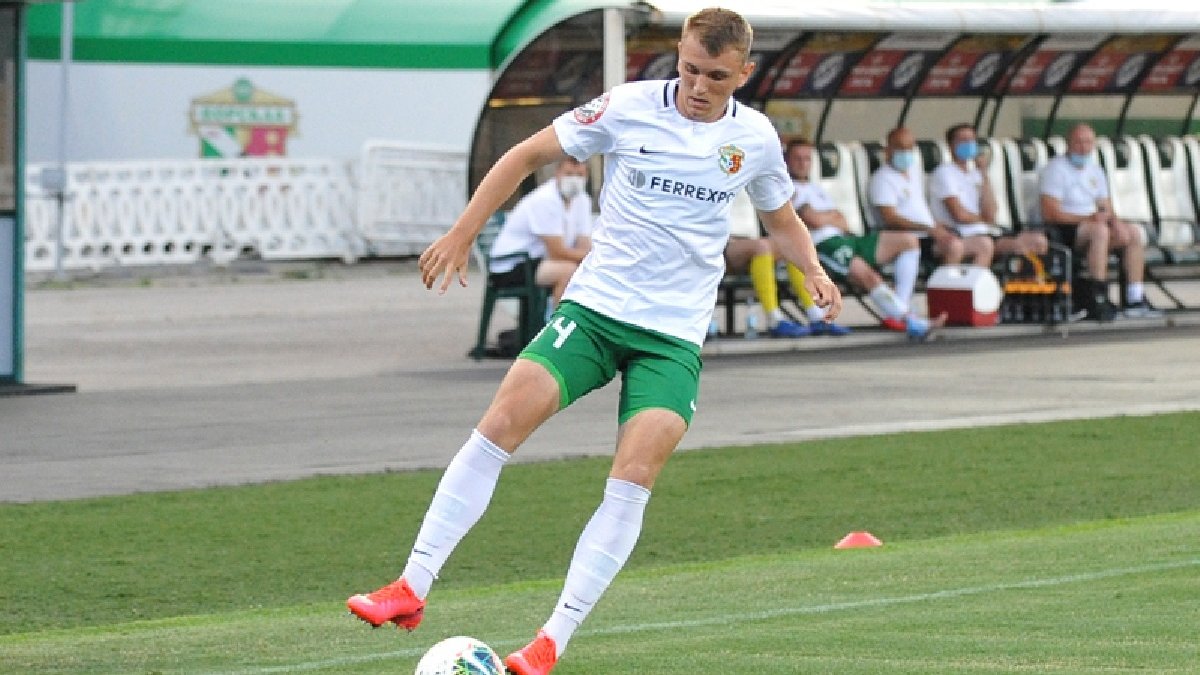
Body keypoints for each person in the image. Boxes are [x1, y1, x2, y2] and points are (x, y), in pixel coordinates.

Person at [345, 8, 842, 675]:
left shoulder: (753, 139)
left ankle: (551, 639)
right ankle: (411, 584)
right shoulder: (628, 106)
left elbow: (782, 218)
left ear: (744, 73)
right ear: (678, 52)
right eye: (690, 69)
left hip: (672, 338)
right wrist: (464, 231)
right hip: (597, 311)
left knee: (633, 477)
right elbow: (525, 155)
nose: (698, 86)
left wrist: (812, 269)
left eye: (717, 77)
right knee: (499, 425)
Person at [787, 138, 944, 338]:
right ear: (787, 161)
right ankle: (909, 320)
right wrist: (829, 217)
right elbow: (813, 220)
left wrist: (825, 217)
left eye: (807, 159)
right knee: (868, 275)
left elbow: (841, 219)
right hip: (824, 245)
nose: (803, 163)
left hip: (847, 238)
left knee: (908, 241)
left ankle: (900, 306)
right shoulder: (787, 189)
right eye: (797, 159)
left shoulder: (815, 188)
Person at [1039, 122, 1161, 319]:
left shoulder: (1095, 170)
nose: (1083, 147)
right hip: (1066, 228)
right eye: (1079, 142)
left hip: (1094, 224)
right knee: (1100, 231)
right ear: (1069, 143)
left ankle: (1135, 298)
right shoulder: (1055, 169)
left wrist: (1116, 223)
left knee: (1133, 233)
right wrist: (1089, 219)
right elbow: (1050, 213)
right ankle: (1098, 295)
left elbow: (1105, 206)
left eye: (1088, 142)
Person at [724, 189, 851, 337]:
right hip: (717, 247)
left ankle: (816, 316)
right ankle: (774, 319)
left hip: (743, 242)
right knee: (762, 247)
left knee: (790, 246)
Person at [928, 123, 1048, 268]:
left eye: (971, 140)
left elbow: (991, 212)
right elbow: (960, 215)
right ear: (951, 146)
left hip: (987, 232)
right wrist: (984, 219)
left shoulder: (975, 174)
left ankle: (1026, 281)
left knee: (1037, 241)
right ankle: (976, 281)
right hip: (960, 234)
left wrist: (984, 174)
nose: (968, 144)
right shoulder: (944, 173)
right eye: (963, 140)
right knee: (984, 244)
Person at [870, 127, 986, 275]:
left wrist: (935, 225)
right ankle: (946, 288)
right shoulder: (882, 179)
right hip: (910, 237)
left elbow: (919, 209)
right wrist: (927, 228)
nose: (905, 153)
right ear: (888, 150)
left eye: (909, 148)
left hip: (929, 233)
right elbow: (890, 219)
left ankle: (972, 286)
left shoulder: (913, 172)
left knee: (983, 245)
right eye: (900, 148)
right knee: (953, 247)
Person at [487, 157, 593, 304]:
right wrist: (591, 258)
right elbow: (557, 252)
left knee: (587, 272)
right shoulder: (545, 199)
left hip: (540, 262)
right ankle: (558, 317)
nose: (574, 180)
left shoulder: (583, 200)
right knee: (569, 271)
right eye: (569, 174)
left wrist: (590, 258)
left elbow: (584, 244)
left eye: (580, 175)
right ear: (557, 173)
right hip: (511, 265)